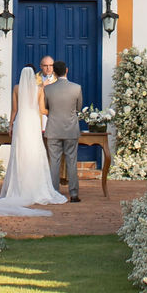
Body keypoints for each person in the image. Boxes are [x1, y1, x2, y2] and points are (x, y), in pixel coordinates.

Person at [0, 66, 68, 216]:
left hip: (21, 123)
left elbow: (14, 110)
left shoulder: (17, 88)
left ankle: (19, 187)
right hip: (32, 123)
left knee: (20, 154)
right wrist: (57, 112)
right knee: (34, 153)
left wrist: (10, 125)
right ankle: (35, 187)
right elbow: (42, 110)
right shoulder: (39, 89)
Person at [41, 65, 84, 203]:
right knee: (72, 161)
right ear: (66, 70)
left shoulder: (48, 89)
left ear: (54, 72)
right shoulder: (76, 88)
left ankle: (54, 192)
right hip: (70, 128)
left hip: (53, 128)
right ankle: (74, 194)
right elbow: (78, 108)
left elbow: (46, 107)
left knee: (54, 162)